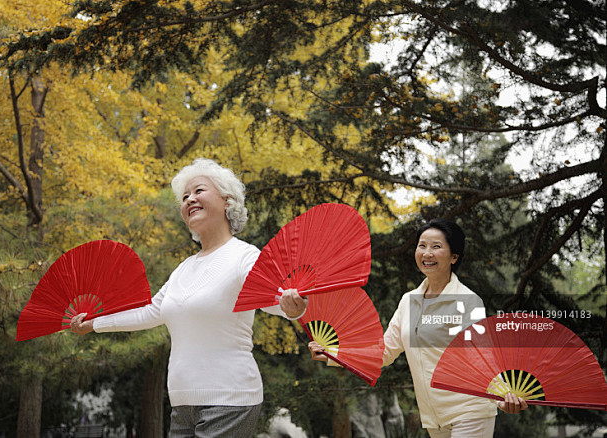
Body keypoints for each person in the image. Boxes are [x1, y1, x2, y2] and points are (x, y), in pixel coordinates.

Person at [71, 158, 308, 438]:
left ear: (227, 201)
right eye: (184, 197)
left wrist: (292, 307)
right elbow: (149, 311)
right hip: (182, 402)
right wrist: (94, 323)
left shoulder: (245, 256)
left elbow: (274, 298)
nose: (189, 199)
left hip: (229, 399)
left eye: (199, 191)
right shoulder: (184, 269)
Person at [310, 218, 527, 437]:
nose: (427, 253)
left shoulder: (467, 301)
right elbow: (383, 352)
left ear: (454, 257)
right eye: (422, 246)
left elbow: (482, 356)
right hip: (434, 418)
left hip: (470, 411)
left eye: (436, 247)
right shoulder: (408, 301)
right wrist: (335, 354)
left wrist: (503, 395)